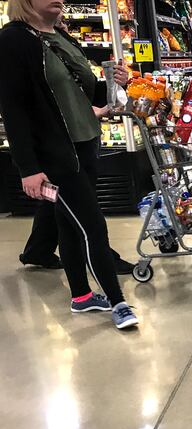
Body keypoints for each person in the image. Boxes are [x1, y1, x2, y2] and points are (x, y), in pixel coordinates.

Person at [0, 0, 139, 329]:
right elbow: (13, 109)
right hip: (55, 154)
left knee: (68, 223)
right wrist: (28, 168)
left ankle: (81, 297)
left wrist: (118, 82)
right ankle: (117, 302)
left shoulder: (62, 37)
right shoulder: (12, 41)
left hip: (86, 142)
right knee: (93, 225)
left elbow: (90, 93)